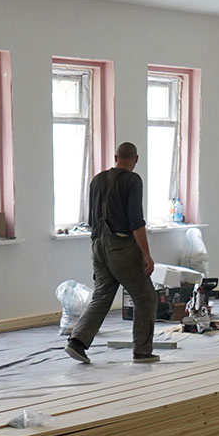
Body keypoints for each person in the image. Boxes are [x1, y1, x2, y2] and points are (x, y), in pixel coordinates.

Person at [65, 142, 157, 364]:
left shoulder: (96, 180)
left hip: (98, 246)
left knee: (102, 295)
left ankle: (77, 342)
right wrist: (146, 254)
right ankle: (142, 352)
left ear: (116, 157)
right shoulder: (133, 181)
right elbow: (135, 221)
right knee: (146, 297)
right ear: (136, 159)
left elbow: (91, 219)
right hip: (121, 246)